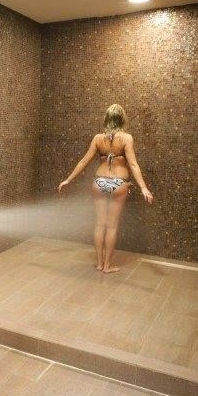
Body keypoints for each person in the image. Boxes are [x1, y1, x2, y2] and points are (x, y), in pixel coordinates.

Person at [57, 104, 153, 273]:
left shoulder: (98, 138)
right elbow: (133, 164)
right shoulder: (126, 138)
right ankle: (107, 266)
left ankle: (100, 263)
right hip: (119, 184)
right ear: (122, 119)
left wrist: (68, 180)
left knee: (100, 224)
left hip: (99, 182)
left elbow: (84, 161)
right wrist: (143, 187)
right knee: (112, 226)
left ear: (106, 119)